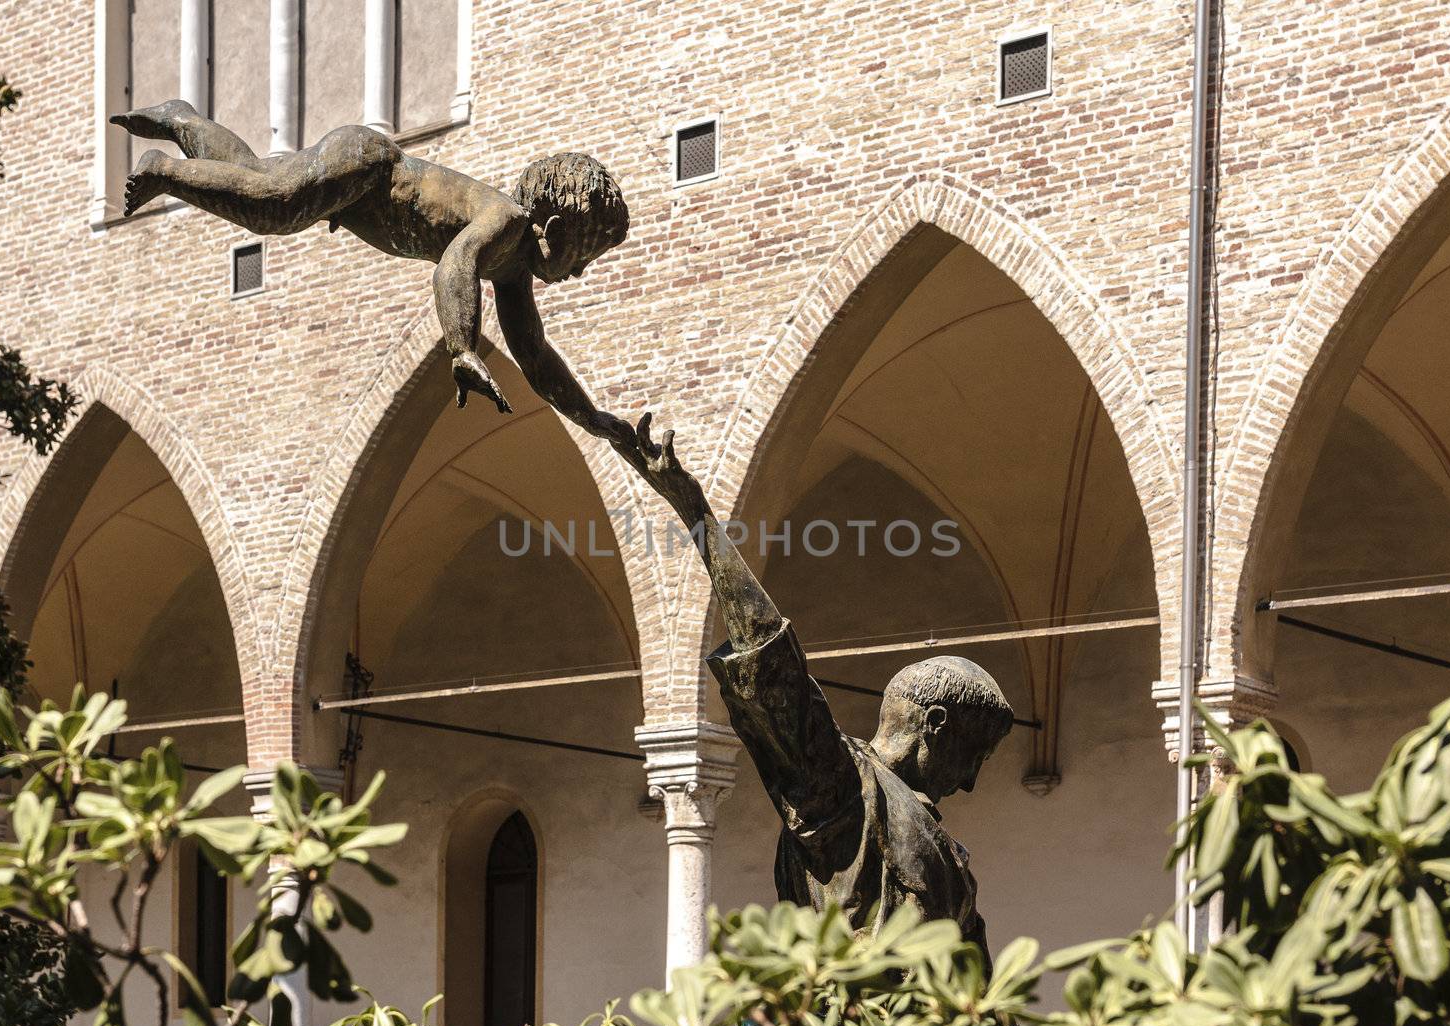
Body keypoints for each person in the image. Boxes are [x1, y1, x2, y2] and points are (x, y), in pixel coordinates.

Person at [617, 415, 1014, 957]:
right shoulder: (843, 787)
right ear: (936, 726)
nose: (969, 782)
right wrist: (699, 519)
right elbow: (772, 665)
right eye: (974, 756)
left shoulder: (947, 851)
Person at [111, 101, 639, 450]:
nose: (581, 274)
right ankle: (164, 169)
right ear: (551, 229)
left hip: (362, 181)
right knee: (274, 209)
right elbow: (456, 264)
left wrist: (595, 420)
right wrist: (462, 348)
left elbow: (536, 356)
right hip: (368, 165)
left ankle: (181, 120)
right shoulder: (504, 222)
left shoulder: (514, 271)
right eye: (584, 257)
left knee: (255, 175)